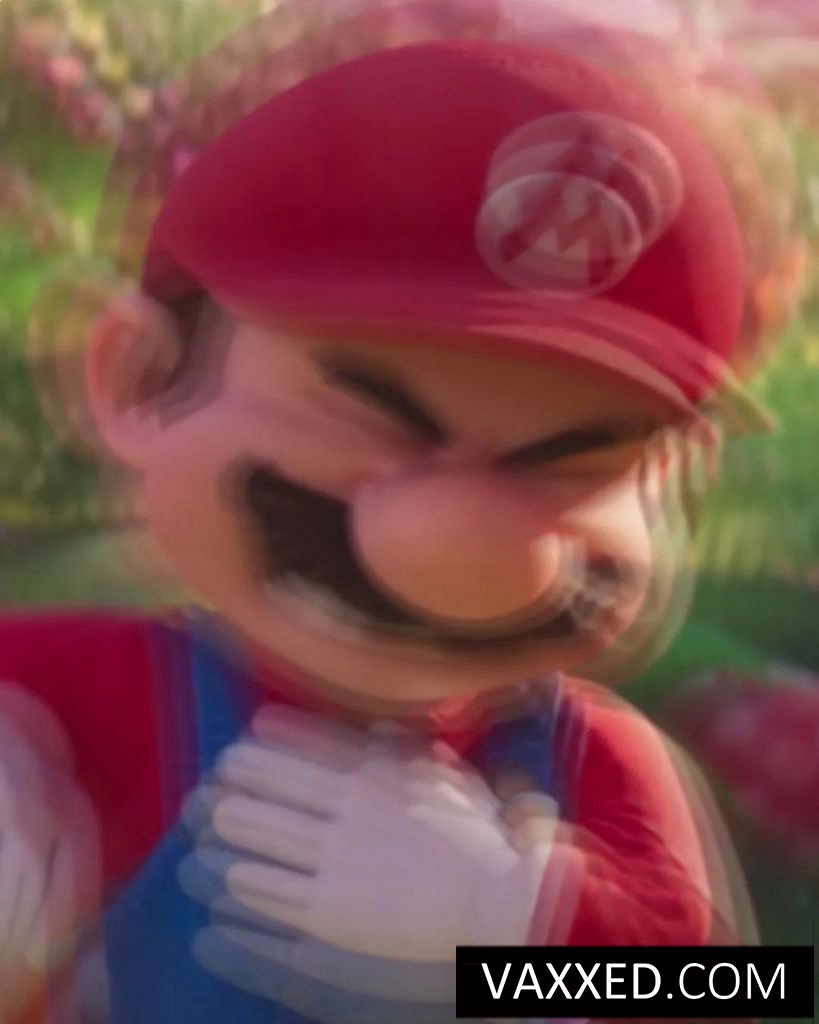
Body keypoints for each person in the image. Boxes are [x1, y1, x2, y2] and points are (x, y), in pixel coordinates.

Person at [0, 1, 800, 1020]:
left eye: (573, 463)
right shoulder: (101, 692)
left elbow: (727, 989)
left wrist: (515, 920)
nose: (468, 540)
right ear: (142, 378)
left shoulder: (592, 758)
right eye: (379, 418)